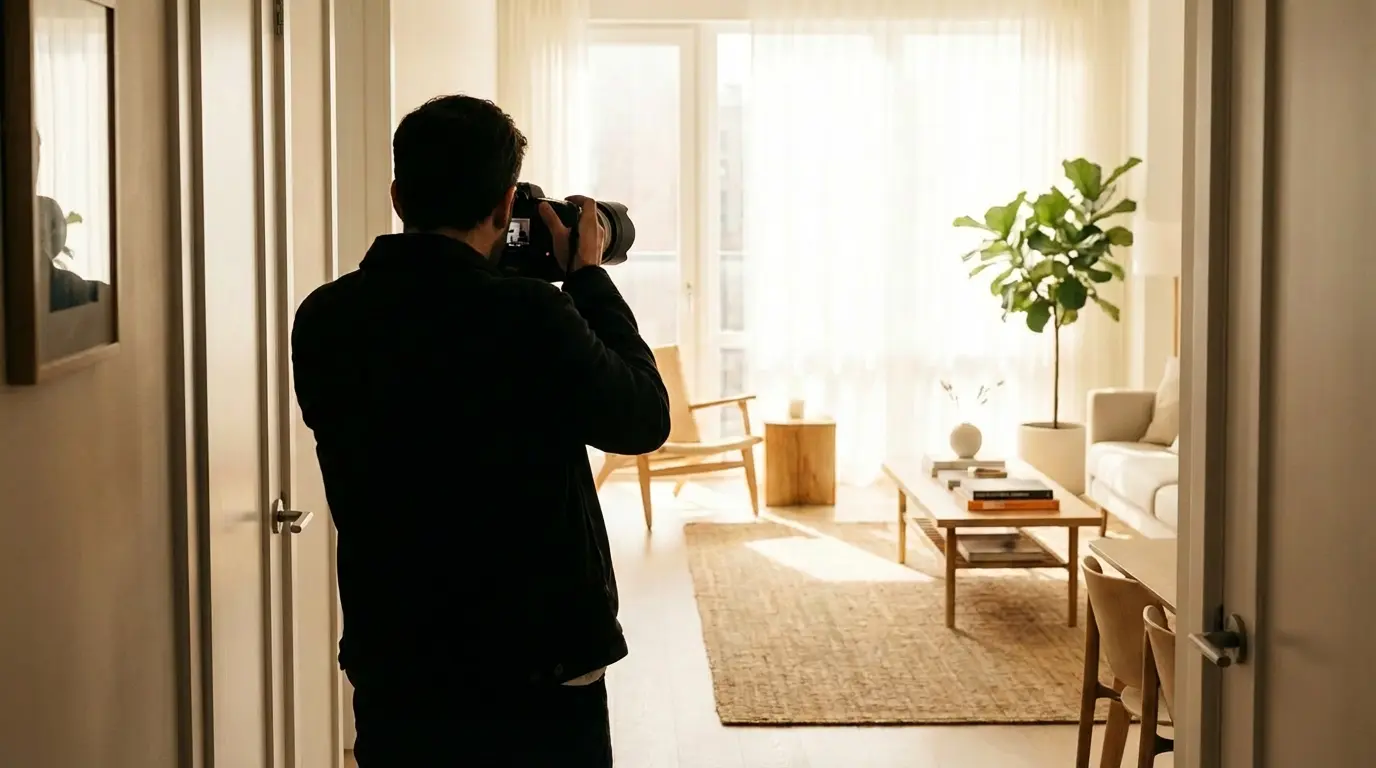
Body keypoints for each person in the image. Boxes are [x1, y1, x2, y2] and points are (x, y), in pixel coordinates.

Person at [291, 94, 671, 766]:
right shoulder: (529, 317)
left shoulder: (325, 318)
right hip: (538, 668)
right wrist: (585, 277)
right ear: (505, 205)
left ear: (398, 196)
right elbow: (643, 418)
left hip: (400, 662)